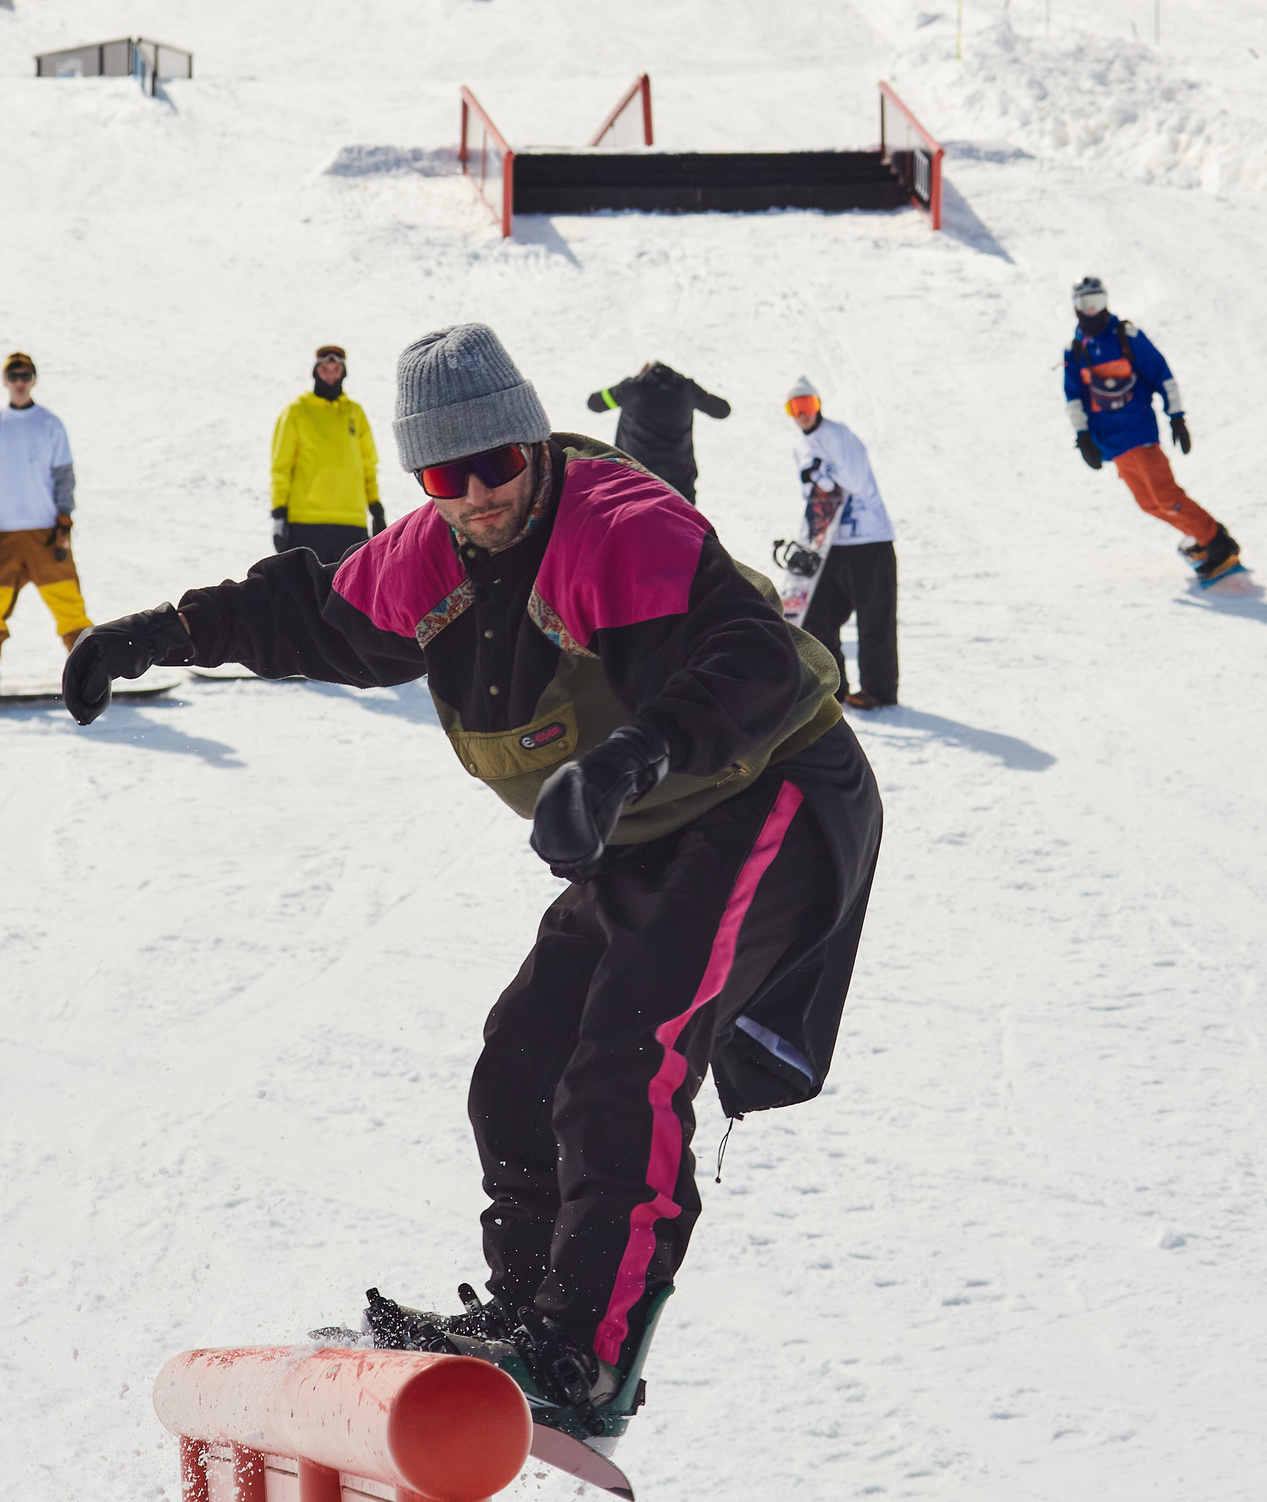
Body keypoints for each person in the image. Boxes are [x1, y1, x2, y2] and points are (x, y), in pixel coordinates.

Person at [65, 324, 882, 1443]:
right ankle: (524, 1314)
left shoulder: (617, 527)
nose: (481, 493)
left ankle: (587, 1355)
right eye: (450, 477)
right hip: (639, 832)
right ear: (420, 479)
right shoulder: (428, 560)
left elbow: (747, 660)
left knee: (627, 1058)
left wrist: (632, 757)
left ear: (532, 444)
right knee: (521, 1062)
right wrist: (153, 634)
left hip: (766, 796)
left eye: (500, 462)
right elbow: (304, 613)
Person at [1062, 276, 1241, 582]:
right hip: (1111, 443)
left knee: (1164, 494)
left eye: (1098, 303)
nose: (1093, 312)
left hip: (1139, 432)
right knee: (1149, 503)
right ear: (1076, 308)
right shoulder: (1076, 350)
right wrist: (1082, 437)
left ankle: (1217, 543)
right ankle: (1202, 536)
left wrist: (1177, 417)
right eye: (1085, 305)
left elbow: (1162, 375)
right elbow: (1074, 398)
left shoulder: (1125, 336)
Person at [0, 352, 87, 699]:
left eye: (26, 376)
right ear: (5, 381)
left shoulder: (50, 424)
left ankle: (89, 667)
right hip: (3, 535)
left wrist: (64, 521)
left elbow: (64, 476)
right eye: (14, 376)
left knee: (69, 605)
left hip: (46, 533)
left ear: (33, 380)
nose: (20, 382)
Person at [783, 378, 900, 711]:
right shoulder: (800, 446)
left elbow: (856, 482)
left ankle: (880, 691)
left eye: (808, 405)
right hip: (831, 544)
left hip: (869, 539)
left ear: (818, 405)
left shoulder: (839, 436)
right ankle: (832, 689)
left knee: (874, 618)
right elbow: (814, 497)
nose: (803, 414)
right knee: (818, 617)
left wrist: (823, 469)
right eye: (796, 408)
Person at [268, 344, 385, 566]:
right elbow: (281, 465)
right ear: (315, 371)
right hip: (306, 521)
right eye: (325, 369)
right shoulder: (297, 411)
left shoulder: (355, 412)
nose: (331, 375)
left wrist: (375, 507)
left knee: (351, 596)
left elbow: (368, 463)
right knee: (305, 596)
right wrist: (279, 514)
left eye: (336, 370)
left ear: (343, 372)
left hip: (351, 521)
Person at [582, 360, 730, 503]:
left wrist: (630, 382)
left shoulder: (631, 389)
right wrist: (689, 385)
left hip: (634, 479)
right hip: (679, 486)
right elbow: (722, 410)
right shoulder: (686, 389)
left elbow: (594, 403)